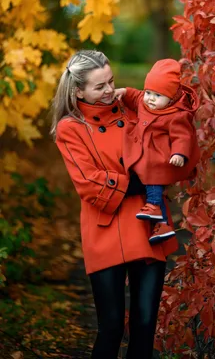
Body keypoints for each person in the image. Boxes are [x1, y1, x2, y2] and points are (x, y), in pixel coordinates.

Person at [50, 50, 179, 359]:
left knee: (145, 323)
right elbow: (89, 185)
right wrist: (145, 179)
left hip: (148, 226)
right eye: (99, 86)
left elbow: (169, 136)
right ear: (78, 90)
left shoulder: (134, 110)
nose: (109, 91)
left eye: (111, 81)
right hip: (104, 232)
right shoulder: (70, 129)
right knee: (111, 327)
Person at [114, 59, 200, 244]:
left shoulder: (176, 114)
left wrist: (179, 153)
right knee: (146, 173)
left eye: (158, 95)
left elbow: (183, 136)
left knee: (152, 174)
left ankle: (153, 205)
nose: (150, 99)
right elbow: (135, 96)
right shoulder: (144, 102)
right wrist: (125, 92)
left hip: (160, 156)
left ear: (171, 98)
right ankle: (162, 225)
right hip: (144, 153)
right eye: (149, 93)